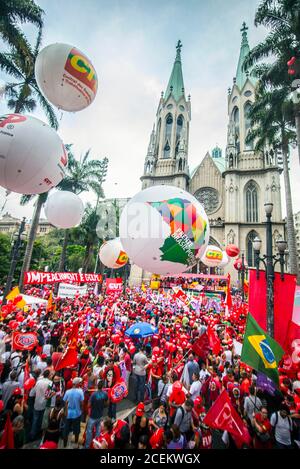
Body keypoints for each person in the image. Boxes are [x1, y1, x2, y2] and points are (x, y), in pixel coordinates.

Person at [85, 379, 108, 449]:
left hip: (92, 416)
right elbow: (107, 403)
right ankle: (96, 445)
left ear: (97, 386)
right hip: (100, 416)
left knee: (89, 432)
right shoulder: (105, 394)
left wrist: (92, 405)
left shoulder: (93, 394)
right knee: (98, 432)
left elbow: (88, 405)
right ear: (103, 386)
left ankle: (87, 446)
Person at [30, 369, 52, 441]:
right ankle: (38, 433)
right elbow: (47, 395)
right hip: (44, 404)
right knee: (41, 419)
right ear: (48, 375)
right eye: (50, 374)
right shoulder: (50, 383)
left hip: (37, 403)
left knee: (35, 419)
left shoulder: (38, 382)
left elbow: (32, 392)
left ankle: (33, 434)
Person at [63, 377, 84, 448]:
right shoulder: (80, 392)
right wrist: (81, 410)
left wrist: (65, 411)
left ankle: (64, 445)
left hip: (68, 414)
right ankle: (75, 444)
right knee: (77, 430)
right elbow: (82, 403)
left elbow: (65, 402)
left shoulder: (67, 392)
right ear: (77, 384)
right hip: (77, 414)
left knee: (66, 430)